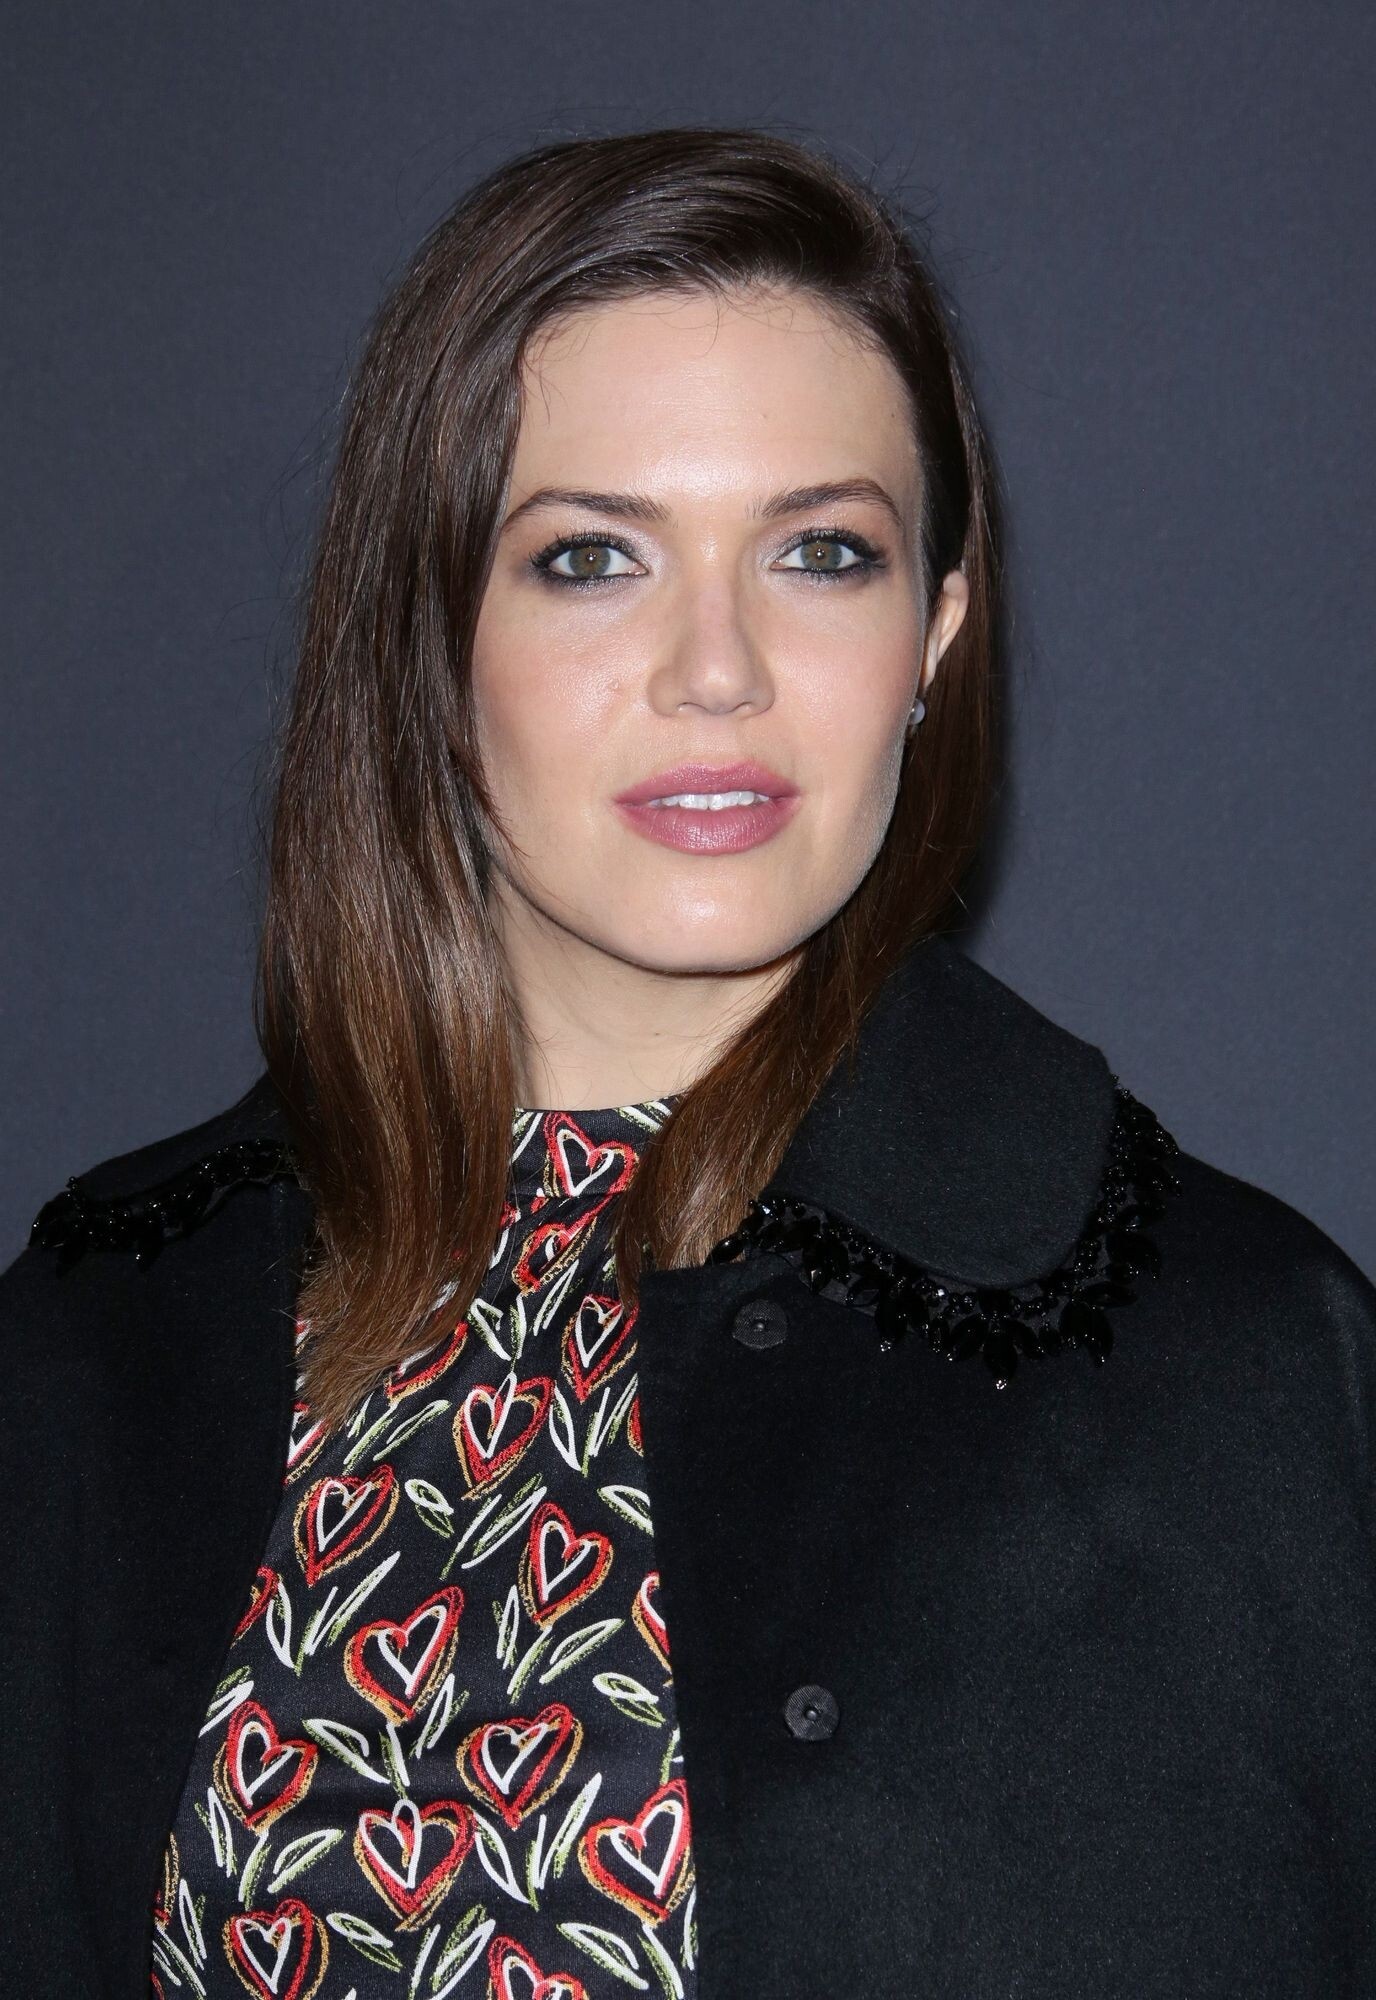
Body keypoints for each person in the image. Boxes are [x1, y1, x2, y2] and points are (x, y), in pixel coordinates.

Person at [2, 125, 1372, 2000]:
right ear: (426, 642)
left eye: (821, 553)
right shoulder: (92, 1349)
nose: (716, 668)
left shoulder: (1243, 1364)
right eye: (590, 559)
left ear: (934, 633)